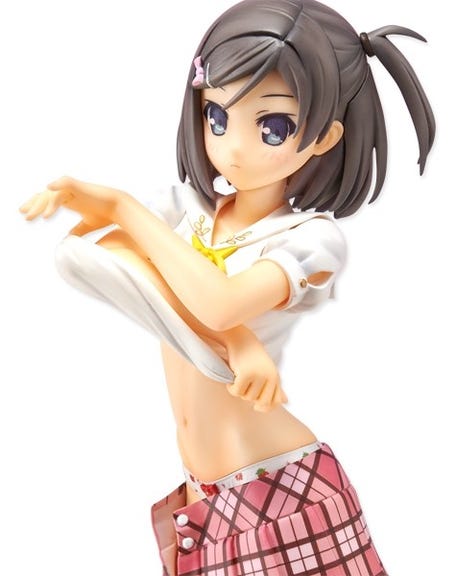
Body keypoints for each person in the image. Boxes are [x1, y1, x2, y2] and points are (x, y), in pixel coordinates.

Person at [19, 0, 435, 574]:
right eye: (217, 116)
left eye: (272, 127)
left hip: (282, 490)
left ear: (324, 137)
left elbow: (218, 302)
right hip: (202, 495)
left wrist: (123, 207)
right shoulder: (185, 210)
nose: (233, 147)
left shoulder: (311, 239)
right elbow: (96, 256)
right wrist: (237, 344)